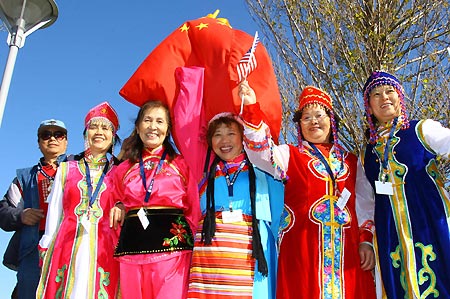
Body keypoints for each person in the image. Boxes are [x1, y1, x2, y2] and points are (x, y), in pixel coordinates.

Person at [238, 81, 377, 299]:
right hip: (302, 252)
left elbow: (365, 204)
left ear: (331, 121)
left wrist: (366, 240)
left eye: (319, 115)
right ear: (299, 125)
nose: (313, 121)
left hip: (348, 254)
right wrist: (251, 108)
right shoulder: (289, 155)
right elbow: (261, 153)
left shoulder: (351, 161)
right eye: (306, 117)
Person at [359, 70, 450, 298]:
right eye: (376, 94)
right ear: (369, 106)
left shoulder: (422, 129)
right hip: (390, 232)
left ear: (400, 97)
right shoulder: (365, 154)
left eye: (390, 91)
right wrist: (367, 241)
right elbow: (364, 202)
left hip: (431, 219)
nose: (384, 98)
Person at [185, 113, 284, 299]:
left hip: (250, 253)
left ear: (243, 137)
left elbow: (280, 213)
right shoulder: (206, 177)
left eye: (231, 133)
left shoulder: (262, 171)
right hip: (209, 260)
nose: (224, 141)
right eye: (217, 135)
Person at [109, 100, 200, 299]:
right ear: (138, 127)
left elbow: (194, 207)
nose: (153, 127)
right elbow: (114, 198)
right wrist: (118, 205)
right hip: (132, 248)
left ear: (167, 129)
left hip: (173, 250)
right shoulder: (123, 169)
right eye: (147, 120)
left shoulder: (182, 164)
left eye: (160, 121)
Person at [37, 102, 121, 299]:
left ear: (113, 136)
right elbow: (55, 213)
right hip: (66, 246)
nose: (99, 132)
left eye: (105, 127)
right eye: (93, 127)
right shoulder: (66, 169)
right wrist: (46, 246)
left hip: (106, 248)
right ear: (85, 134)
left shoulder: (121, 173)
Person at [0, 119, 70, 299]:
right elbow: (3, 211)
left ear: (66, 141)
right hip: (33, 248)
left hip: (69, 245)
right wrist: (20, 215)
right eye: (46, 135)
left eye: (58, 134)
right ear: (39, 143)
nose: (52, 138)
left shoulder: (78, 169)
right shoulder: (24, 178)